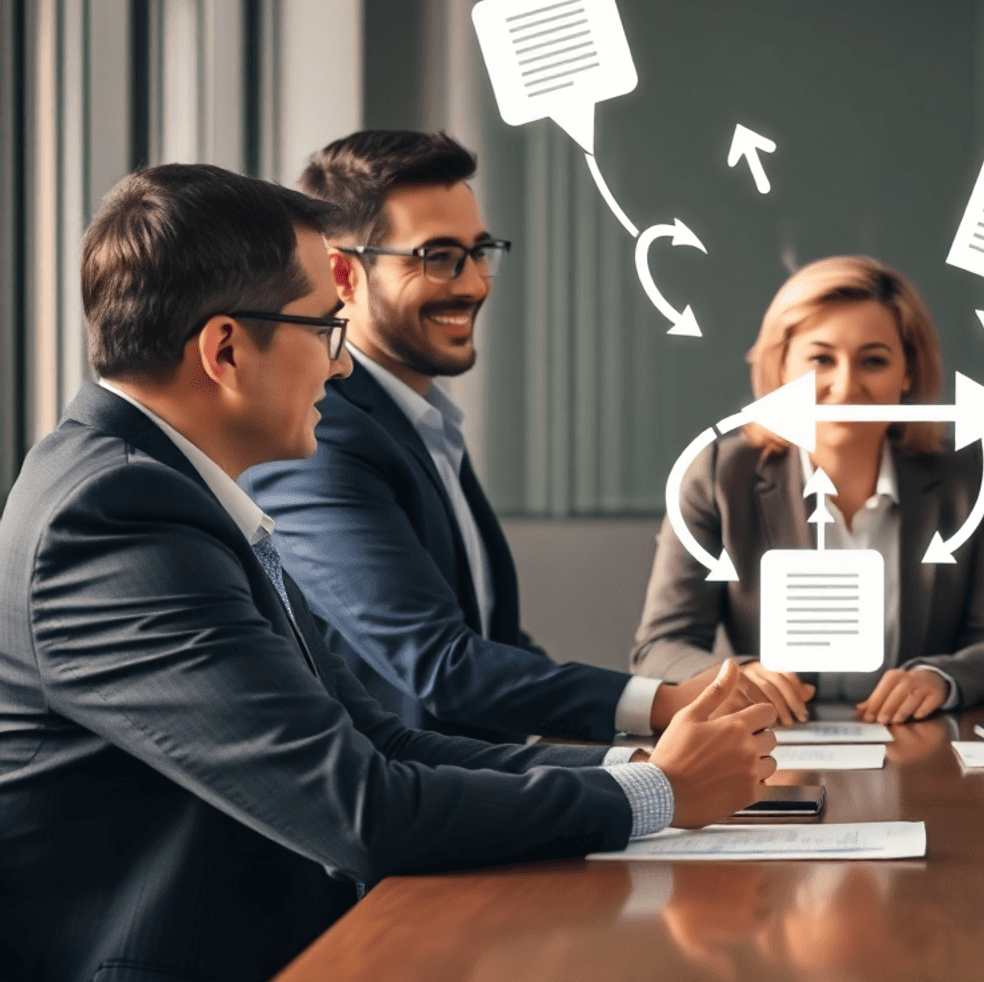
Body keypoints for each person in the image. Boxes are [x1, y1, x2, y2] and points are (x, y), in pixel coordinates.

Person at [0, 164, 776, 982]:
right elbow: (359, 807)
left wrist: (654, 768)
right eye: (324, 332)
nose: (341, 369)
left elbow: (381, 739)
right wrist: (656, 795)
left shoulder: (169, 492)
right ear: (225, 349)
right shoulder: (119, 516)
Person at [243, 130, 738, 744]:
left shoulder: (421, 422)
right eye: (440, 256)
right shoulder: (321, 439)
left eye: (481, 252)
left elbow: (493, 646)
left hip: (488, 800)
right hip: (406, 815)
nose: (476, 283)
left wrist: (656, 713)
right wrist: (662, 705)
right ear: (343, 273)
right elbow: (440, 664)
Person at [632, 256, 984, 724]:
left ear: (907, 373)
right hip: (771, 752)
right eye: (821, 359)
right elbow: (657, 649)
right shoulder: (718, 474)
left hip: (917, 751)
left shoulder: (965, 482)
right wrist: (740, 674)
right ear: (781, 368)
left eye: (874, 361)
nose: (845, 387)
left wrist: (938, 679)